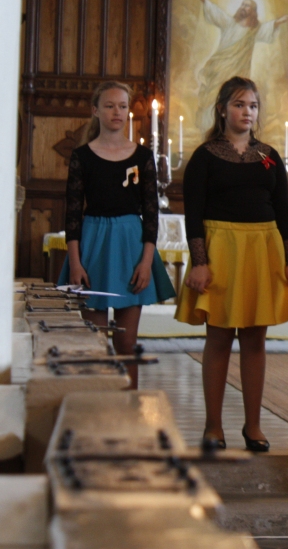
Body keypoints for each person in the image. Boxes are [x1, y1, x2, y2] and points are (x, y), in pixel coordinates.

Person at [175, 76, 288, 452]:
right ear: (222, 109)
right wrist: (200, 263)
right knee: (218, 338)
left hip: (263, 251)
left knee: (255, 340)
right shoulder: (205, 156)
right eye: (238, 104)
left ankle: (254, 426)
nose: (246, 112)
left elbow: (284, 212)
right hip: (222, 251)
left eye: (252, 106)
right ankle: (213, 426)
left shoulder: (268, 156)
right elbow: (193, 214)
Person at [59, 81, 176, 389]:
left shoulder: (142, 156)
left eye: (123, 106)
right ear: (95, 111)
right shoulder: (82, 156)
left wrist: (146, 261)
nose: (117, 112)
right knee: (95, 344)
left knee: (126, 344)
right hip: (93, 243)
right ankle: (97, 409)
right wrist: (75, 262)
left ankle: (128, 407)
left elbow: (152, 213)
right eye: (110, 106)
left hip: (130, 245)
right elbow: (72, 213)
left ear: (129, 112)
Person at [188, 0, 288, 129]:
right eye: (242, 4)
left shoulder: (254, 30)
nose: (243, 7)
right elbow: (216, 13)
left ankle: (231, 128)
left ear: (253, 11)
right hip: (220, 67)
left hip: (239, 71)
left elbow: (267, 28)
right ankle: (210, 127)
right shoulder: (229, 23)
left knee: (237, 98)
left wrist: (277, 22)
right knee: (214, 96)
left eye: (247, 5)